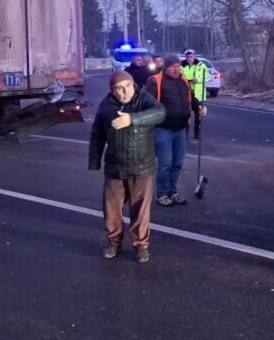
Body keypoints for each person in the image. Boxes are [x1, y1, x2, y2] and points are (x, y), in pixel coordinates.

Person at [88, 70, 166, 264]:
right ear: (112, 90)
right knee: (112, 209)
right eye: (119, 88)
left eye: (127, 86)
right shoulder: (106, 105)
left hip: (141, 166)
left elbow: (159, 113)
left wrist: (131, 119)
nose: (124, 91)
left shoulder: (144, 99)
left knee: (139, 210)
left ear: (133, 85)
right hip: (115, 167)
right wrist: (94, 161)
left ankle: (141, 246)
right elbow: (97, 134)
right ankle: (114, 242)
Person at [145, 55, 203, 207]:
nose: (176, 68)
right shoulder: (155, 81)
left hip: (181, 129)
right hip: (163, 129)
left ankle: (172, 191)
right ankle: (162, 193)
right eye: (172, 66)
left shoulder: (184, 82)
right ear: (165, 67)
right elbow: (145, 102)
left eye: (178, 65)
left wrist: (199, 108)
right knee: (165, 163)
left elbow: (192, 100)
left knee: (177, 163)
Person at [180, 49, 209, 140]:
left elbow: (207, 77)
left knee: (199, 114)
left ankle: (197, 133)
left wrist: (198, 80)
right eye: (187, 57)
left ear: (194, 56)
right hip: (185, 93)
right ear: (185, 57)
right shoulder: (181, 66)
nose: (189, 58)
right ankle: (185, 134)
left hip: (198, 94)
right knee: (186, 114)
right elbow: (179, 77)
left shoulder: (201, 65)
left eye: (191, 56)